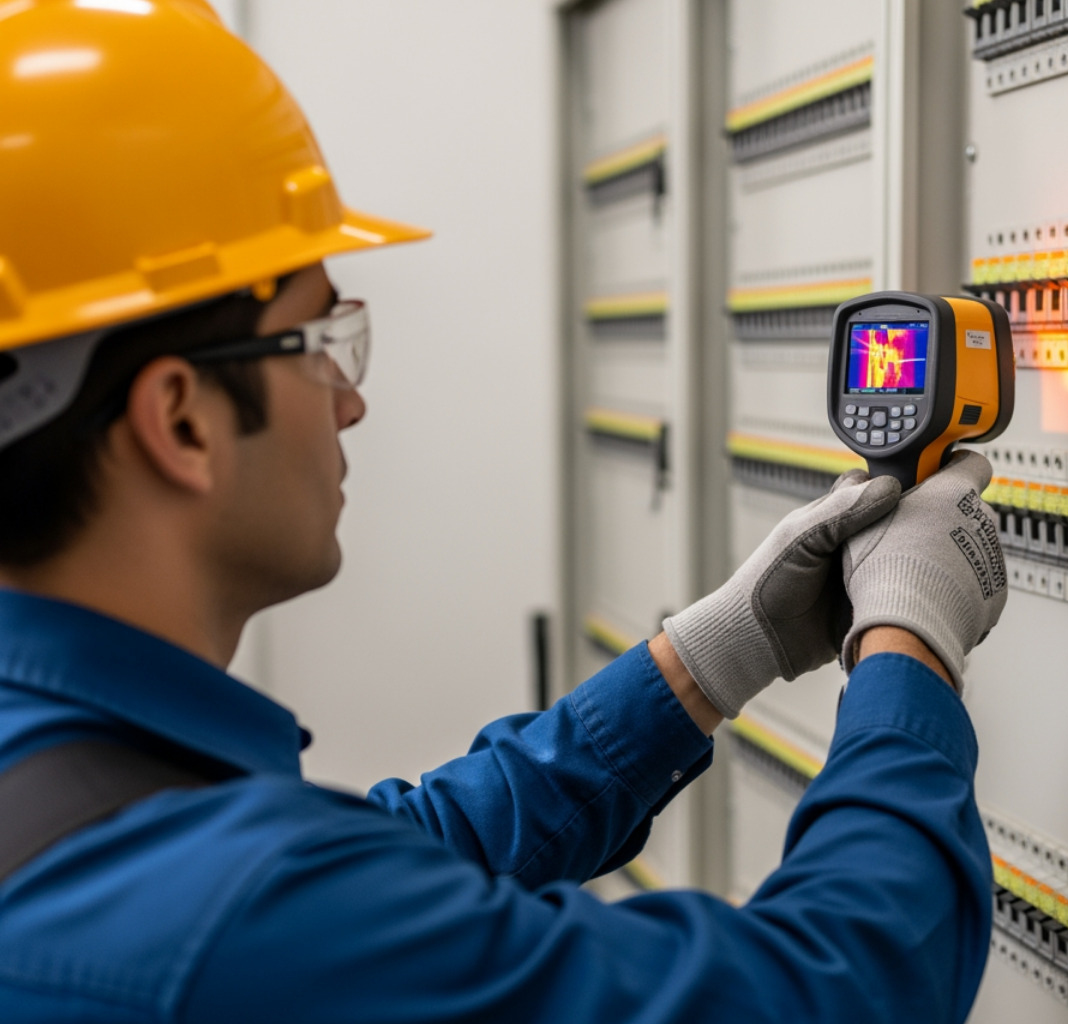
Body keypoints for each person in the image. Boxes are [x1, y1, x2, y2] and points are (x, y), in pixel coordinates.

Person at [0, 2, 1010, 1021]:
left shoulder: (63, 779)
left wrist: (714, 653)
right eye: (321, 343)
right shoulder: (220, 921)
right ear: (180, 421)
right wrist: (909, 641)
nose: (351, 401)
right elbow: (829, 993)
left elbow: (405, 849)